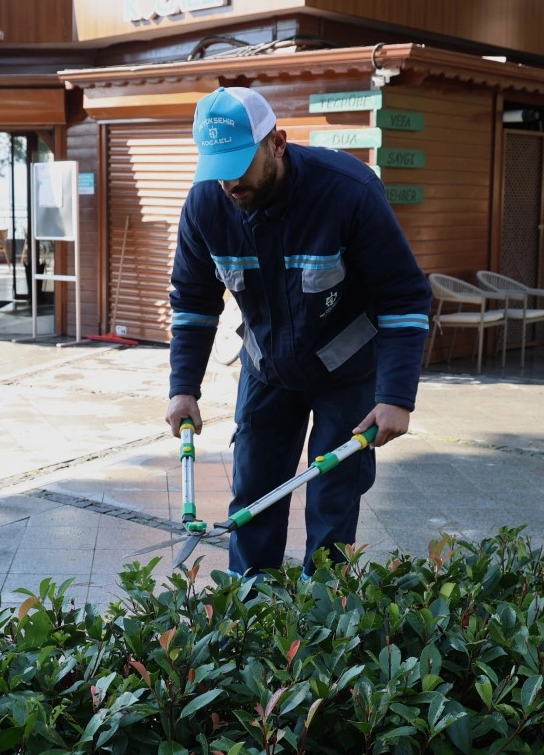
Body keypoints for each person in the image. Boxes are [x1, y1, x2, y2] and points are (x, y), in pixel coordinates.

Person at [165, 87, 432, 577]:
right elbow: (193, 304)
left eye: (241, 165)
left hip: (347, 373)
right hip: (267, 371)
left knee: (333, 500)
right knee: (254, 496)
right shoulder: (206, 205)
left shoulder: (347, 191)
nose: (229, 182)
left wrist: (396, 396)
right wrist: (183, 389)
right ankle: (250, 610)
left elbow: (404, 297)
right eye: (218, 167)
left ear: (278, 144)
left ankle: (320, 622)